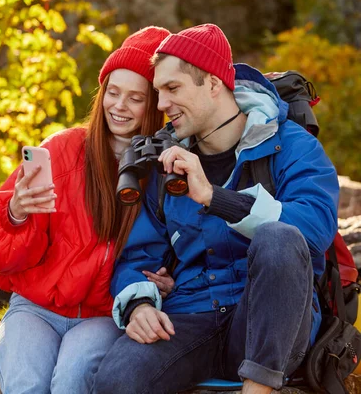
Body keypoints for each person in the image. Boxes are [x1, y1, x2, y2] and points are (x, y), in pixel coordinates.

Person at [92, 23, 339, 394]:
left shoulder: (289, 144)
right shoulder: (166, 160)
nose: (160, 105)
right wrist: (139, 303)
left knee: (279, 237)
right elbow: (137, 256)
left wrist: (215, 197)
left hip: (267, 323)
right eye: (158, 92)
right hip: (191, 315)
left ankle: (258, 388)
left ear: (212, 83)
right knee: (115, 381)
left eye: (173, 89)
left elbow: (313, 230)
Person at [0, 26, 174, 394]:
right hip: (36, 308)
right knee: (26, 384)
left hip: (102, 315)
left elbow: (185, 244)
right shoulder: (64, 149)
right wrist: (15, 213)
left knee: (71, 380)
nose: (119, 106)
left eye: (135, 97)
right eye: (112, 92)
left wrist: (166, 278)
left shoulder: (163, 168)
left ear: (154, 104)